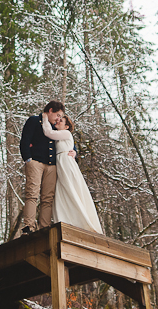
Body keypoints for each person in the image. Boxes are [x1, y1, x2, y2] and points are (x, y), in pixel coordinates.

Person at [41, 114, 103, 234]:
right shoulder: (60, 134)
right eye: (58, 119)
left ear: (67, 126)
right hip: (60, 163)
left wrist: (44, 118)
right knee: (61, 192)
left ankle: (80, 221)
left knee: (70, 189)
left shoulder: (66, 133)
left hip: (66, 163)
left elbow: (48, 133)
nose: (58, 121)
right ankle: (65, 220)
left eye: (61, 120)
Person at [19, 100, 69, 233]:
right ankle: (29, 226)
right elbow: (25, 140)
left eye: (60, 117)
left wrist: (74, 150)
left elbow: (67, 139)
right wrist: (28, 159)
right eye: (57, 115)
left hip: (52, 166)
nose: (59, 119)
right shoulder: (34, 121)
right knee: (32, 194)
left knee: (48, 198)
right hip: (35, 163)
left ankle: (44, 229)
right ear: (50, 110)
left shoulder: (56, 126)